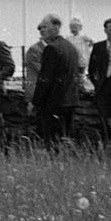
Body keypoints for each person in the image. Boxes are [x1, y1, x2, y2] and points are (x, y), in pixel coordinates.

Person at [31, 16, 79, 145]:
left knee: (52, 141)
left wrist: (35, 102)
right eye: (40, 28)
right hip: (70, 101)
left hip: (54, 102)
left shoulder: (51, 48)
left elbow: (45, 79)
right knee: (65, 139)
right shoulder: (70, 47)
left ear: (56, 27)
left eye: (45, 27)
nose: (42, 30)